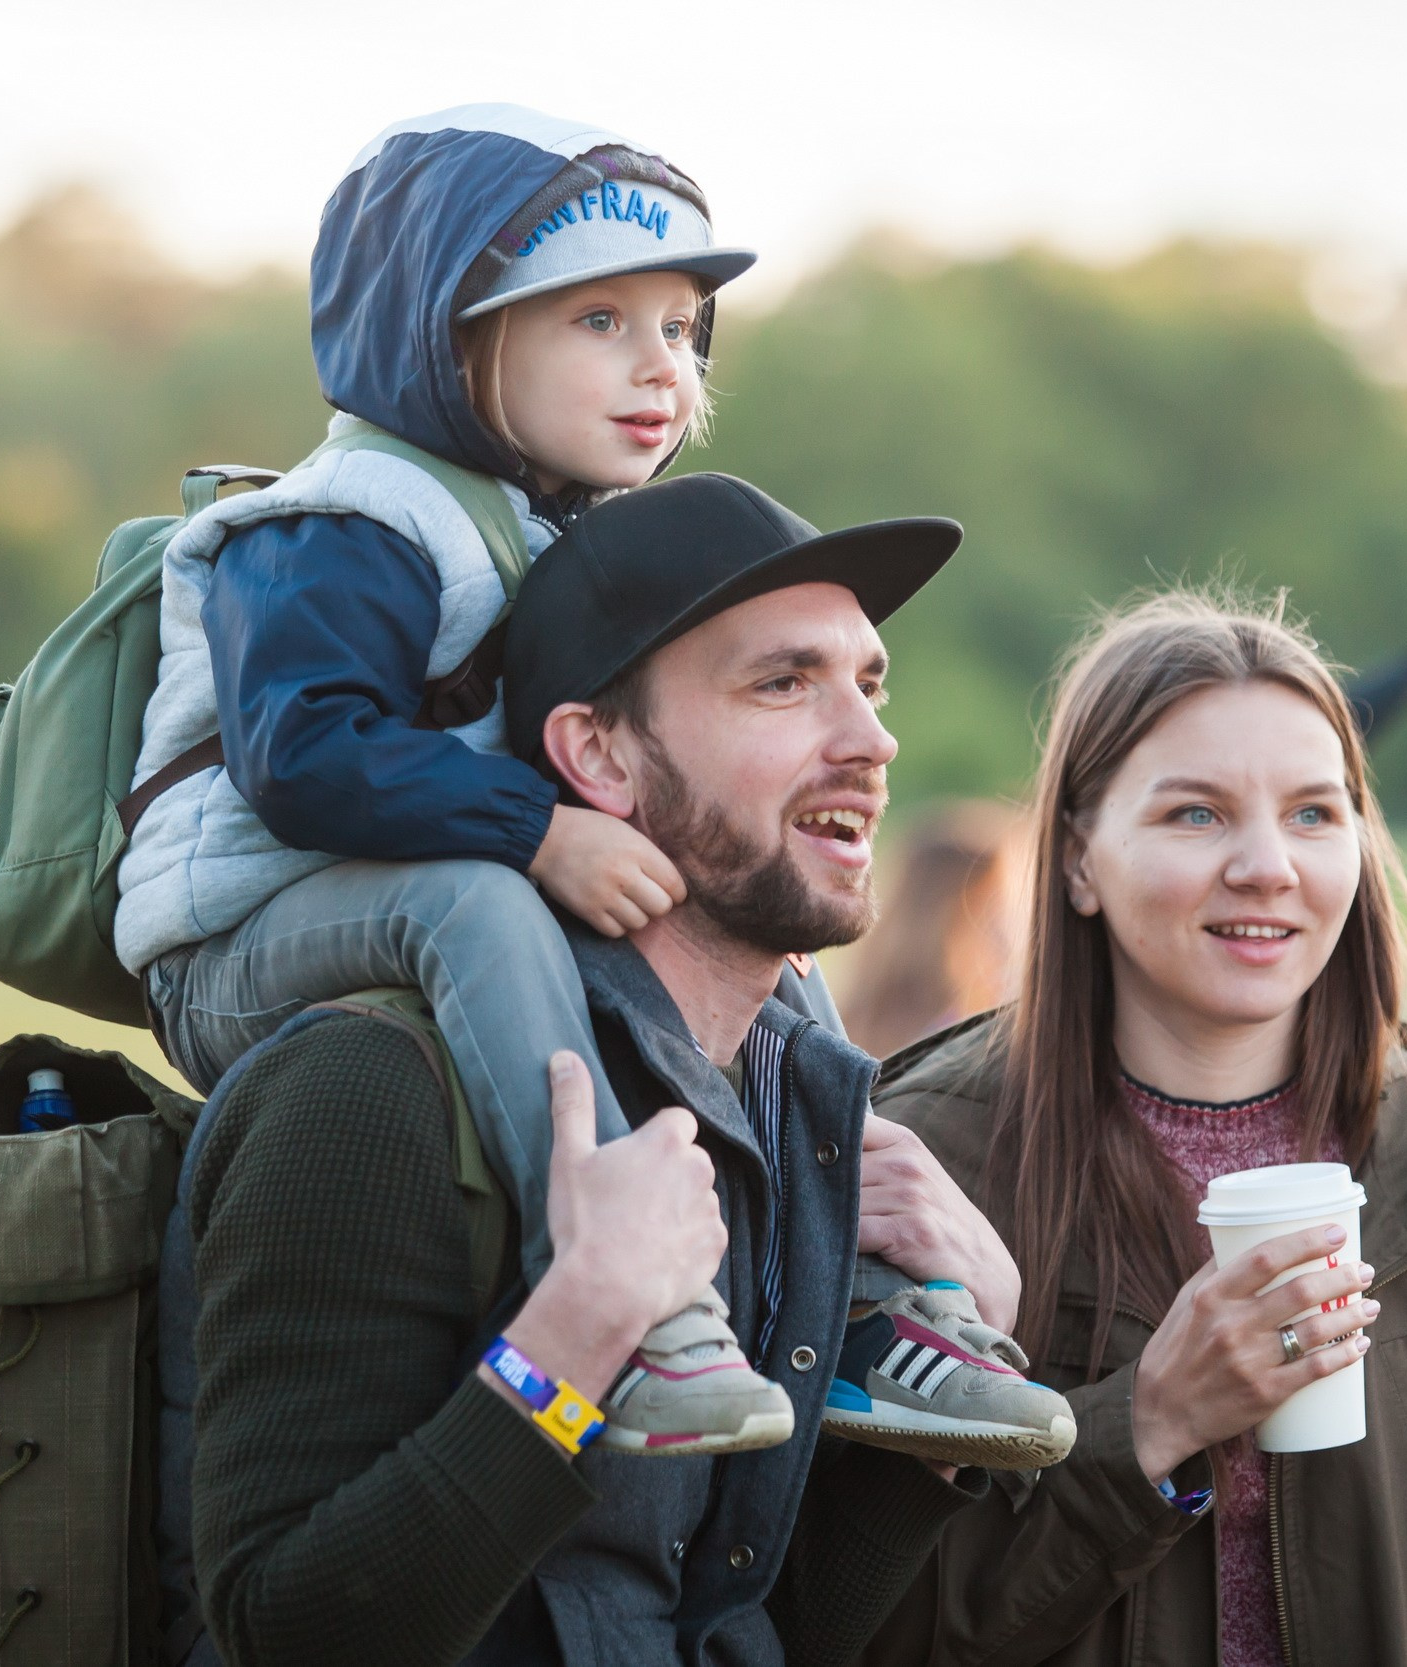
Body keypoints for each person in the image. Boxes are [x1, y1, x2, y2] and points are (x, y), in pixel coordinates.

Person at [119, 104, 1041, 1460]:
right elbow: (302, 755)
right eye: (597, 321)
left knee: (762, 937)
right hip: (242, 930)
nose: (658, 364)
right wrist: (536, 828)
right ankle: (637, 1301)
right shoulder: (347, 519)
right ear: (447, 331)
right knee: (476, 908)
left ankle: (872, 1307)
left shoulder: (545, 521)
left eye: (678, 327)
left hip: (410, 887)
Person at [171, 474, 1066, 1665]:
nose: (870, 738)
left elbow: (739, 1621)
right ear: (597, 753)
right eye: (784, 683)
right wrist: (580, 1330)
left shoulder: (787, 1106)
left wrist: (949, 1388)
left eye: (867, 681)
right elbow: (286, 1628)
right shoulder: (371, 1090)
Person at [863, 592, 1407, 1665]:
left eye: (1315, 812)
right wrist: (1147, 1418)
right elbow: (872, 1630)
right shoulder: (925, 1157)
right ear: (1079, 856)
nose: (1268, 863)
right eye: (1196, 812)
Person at [836, 799, 1027, 1057]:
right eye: (994, 922)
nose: (1012, 945)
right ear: (944, 928)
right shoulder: (966, 1044)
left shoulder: (846, 1020)